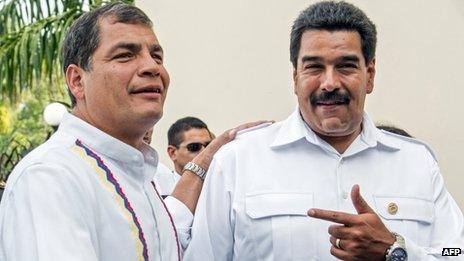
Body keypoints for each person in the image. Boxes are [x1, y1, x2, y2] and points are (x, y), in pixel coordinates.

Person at [177, 1, 464, 260]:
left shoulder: (416, 163)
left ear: (370, 75)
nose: (329, 83)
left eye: (346, 66)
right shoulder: (239, 160)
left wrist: (396, 249)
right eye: (314, 67)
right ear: (295, 77)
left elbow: (455, 252)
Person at [0, 3, 265, 260]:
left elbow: (170, 231)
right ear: (78, 81)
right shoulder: (51, 176)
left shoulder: (135, 170)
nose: (153, 67)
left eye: (157, 56)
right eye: (125, 55)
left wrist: (206, 160)